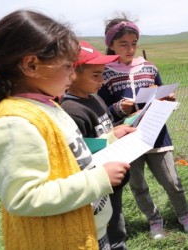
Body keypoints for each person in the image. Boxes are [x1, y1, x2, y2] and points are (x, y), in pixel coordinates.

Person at [0, 10, 130, 250]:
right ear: (32, 65)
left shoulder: (49, 106)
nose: (73, 75)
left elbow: (70, 154)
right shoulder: (15, 122)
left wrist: (109, 138)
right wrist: (98, 180)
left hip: (90, 234)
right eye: (67, 66)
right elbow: (24, 198)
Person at [98, 16, 188, 239]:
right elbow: (101, 109)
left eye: (134, 42)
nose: (130, 48)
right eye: (123, 43)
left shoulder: (149, 68)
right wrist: (119, 108)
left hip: (156, 134)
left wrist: (167, 99)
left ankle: (184, 215)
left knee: (172, 181)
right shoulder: (104, 73)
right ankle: (154, 219)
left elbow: (163, 93)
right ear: (111, 45)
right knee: (138, 184)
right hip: (126, 139)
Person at [60, 40, 136, 250]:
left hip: (113, 178)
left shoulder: (94, 99)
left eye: (103, 73)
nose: (102, 81)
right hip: (97, 183)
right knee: (104, 226)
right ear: (72, 74)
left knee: (115, 219)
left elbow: (105, 126)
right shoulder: (71, 110)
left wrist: (126, 124)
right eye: (96, 75)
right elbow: (81, 154)